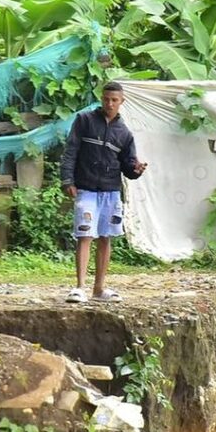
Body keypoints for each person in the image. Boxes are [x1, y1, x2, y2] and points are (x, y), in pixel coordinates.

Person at [59, 81, 147, 303]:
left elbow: (128, 167)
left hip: (110, 191)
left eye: (114, 100)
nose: (110, 103)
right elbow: (71, 151)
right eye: (106, 99)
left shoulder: (124, 133)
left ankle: (99, 289)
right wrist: (67, 179)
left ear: (121, 102)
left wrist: (136, 169)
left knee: (106, 237)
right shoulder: (84, 121)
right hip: (86, 188)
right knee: (85, 234)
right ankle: (79, 287)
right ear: (101, 98)